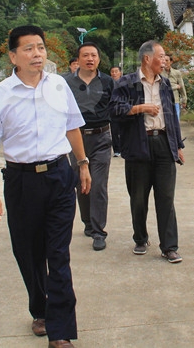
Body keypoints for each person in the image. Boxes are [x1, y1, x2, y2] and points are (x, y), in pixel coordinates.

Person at [0, 25, 91, 348]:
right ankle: (40, 308)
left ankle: (60, 330)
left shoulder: (59, 86)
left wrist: (82, 164)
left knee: (58, 254)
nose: (37, 53)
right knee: (28, 253)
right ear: (13, 56)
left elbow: (73, 127)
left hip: (59, 176)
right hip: (21, 181)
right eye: (29, 48)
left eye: (40, 47)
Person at [111, 41, 185, 263]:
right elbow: (114, 110)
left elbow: (171, 114)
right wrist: (139, 108)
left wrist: (178, 145)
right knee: (138, 198)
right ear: (147, 59)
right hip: (138, 146)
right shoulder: (126, 83)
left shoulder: (164, 84)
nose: (164, 61)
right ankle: (140, 239)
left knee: (166, 198)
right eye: (161, 56)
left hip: (163, 144)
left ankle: (169, 246)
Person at [65, 42, 115, 251]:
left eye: (94, 55)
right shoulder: (66, 83)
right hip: (76, 140)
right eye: (86, 55)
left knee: (99, 185)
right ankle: (87, 222)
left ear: (99, 59)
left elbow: (116, 107)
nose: (90, 59)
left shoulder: (108, 82)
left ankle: (98, 231)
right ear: (78, 60)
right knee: (81, 183)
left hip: (102, 138)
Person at [165, 54, 187, 120]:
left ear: (171, 62)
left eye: (166, 60)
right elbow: (161, 87)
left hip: (175, 100)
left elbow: (182, 87)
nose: (165, 62)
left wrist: (184, 100)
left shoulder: (177, 73)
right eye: (163, 60)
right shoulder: (159, 73)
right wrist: (175, 86)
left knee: (176, 121)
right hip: (163, 101)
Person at [109, 66, 123, 157]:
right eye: (112, 71)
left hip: (123, 109)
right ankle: (116, 150)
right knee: (114, 131)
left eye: (116, 71)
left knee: (123, 130)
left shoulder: (125, 83)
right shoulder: (108, 83)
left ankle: (124, 148)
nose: (114, 73)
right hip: (112, 110)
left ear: (120, 73)